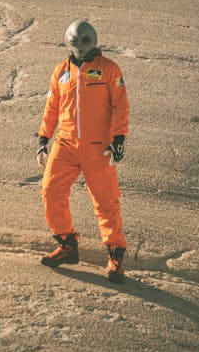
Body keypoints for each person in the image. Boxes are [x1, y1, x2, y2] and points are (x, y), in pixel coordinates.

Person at [36, 20, 129, 282]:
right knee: (50, 190)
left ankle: (115, 256)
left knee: (105, 201)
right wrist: (43, 138)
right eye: (74, 42)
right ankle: (66, 245)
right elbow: (52, 106)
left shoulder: (109, 69)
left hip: (98, 146)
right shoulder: (60, 71)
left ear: (94, 40)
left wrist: (119, 138)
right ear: (67, 42)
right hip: (65, 144)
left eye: (85, 41)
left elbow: (121, 105)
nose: (79, 47)